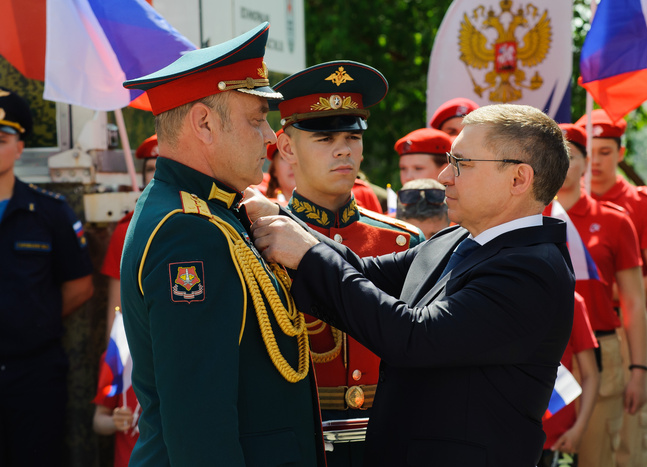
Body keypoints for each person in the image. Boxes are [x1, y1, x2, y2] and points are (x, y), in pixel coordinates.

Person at [249, 103, 575, 466]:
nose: (444, 177)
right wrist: (280, 220)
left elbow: (415, 337)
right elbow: (363, 271)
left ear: (518, 179)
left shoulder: (530, 270)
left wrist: (307, 254)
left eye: (461, 163)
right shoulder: (459, 239)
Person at [119, 23, 324, 466]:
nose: (271, 137)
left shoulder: (211, 212)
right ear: (205, 123)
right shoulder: (187, 230)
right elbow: (199, 422)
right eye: (256, 120)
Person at [271, 59, 423, 466]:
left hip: (390, 437)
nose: (343, 149)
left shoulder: (403, 241)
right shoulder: (262, 240)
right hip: (300, 439)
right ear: (287, 147)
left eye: (351, 136)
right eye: (323, 138)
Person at [576, 110, 647, 466]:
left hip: (626, 327)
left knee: (630, 445)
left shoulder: (641, 203)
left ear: (620, 154)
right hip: (575, 335)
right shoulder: (559, 205)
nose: (597, 162)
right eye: (590, 152)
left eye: (606, 152)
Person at [0, 87, 94, 466]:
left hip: (32, 374)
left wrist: (31, 323)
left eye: (1, 139)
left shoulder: (50, 212)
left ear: (20, 147)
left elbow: (81, 286)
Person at [546, 123, 647, 467]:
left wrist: (639, 369)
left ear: (587, 163)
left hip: (601, 353)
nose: (562, 164)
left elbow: (634, 299)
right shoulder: (525, 218)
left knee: (595, 457)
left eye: (570, 156)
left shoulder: (616, 220)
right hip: (543, 349)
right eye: (553, 156)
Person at [101, 134, 159, 340]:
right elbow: (117, 310)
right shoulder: (127, 231)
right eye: (151, 169)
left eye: (164, 166)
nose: (156, 175)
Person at [539, 292, 599, 467]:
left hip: (561, 440)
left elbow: (591, 375)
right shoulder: (501, 296)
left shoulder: (571, 300)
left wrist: (579, 429)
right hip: (513, 438)